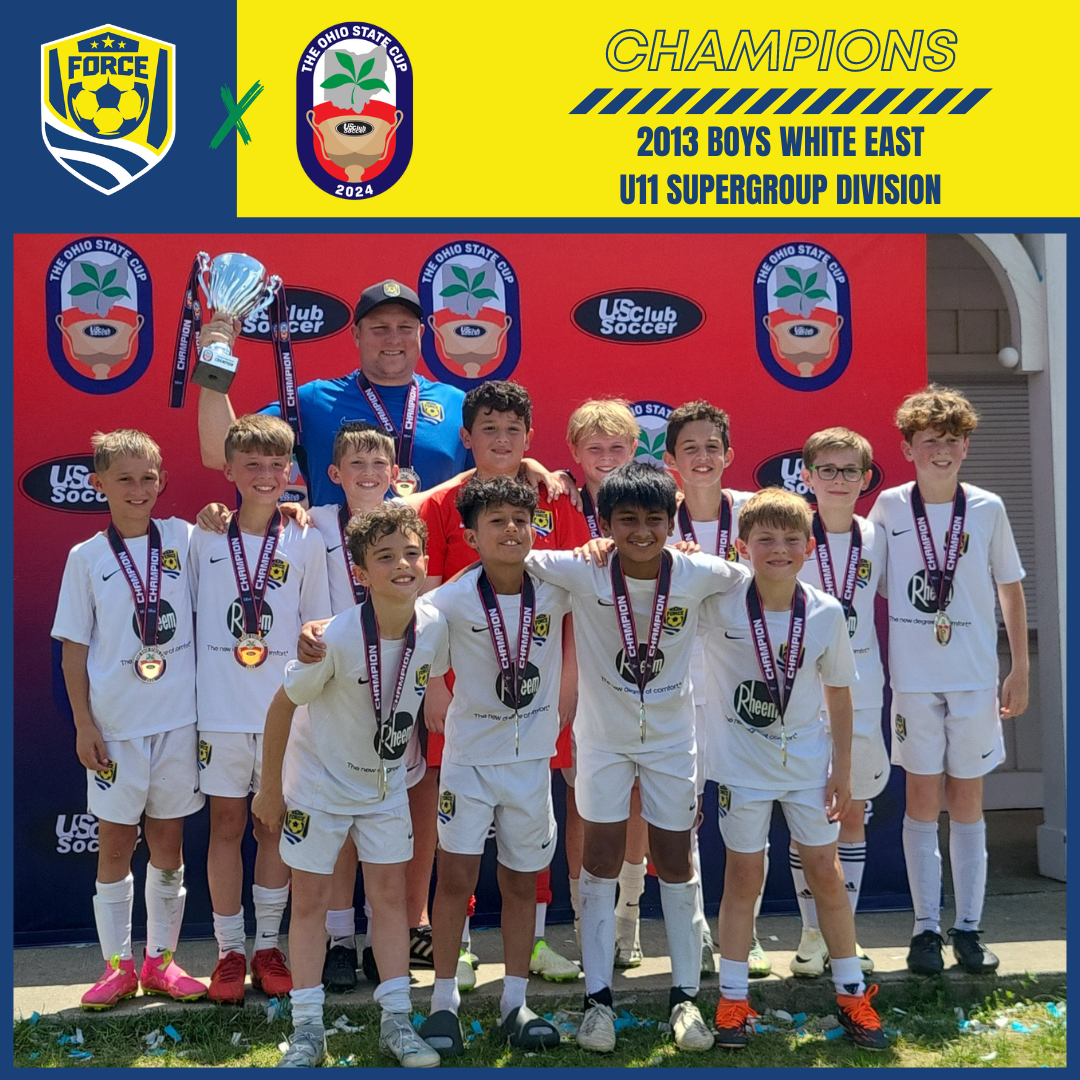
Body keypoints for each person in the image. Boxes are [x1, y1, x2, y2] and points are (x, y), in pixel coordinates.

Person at [525, 462, 746, 1054]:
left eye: (654, 520)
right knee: (599, 858)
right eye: (626, 520)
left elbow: (759, 580)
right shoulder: (583, 568)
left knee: (674, 858)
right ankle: (597, 1001)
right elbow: (514, 556)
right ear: (605, 523)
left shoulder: (699, 571)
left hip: (672, 741)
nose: (642, 532)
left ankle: (684, 999)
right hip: (603, 740)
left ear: (673, 522)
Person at [253, 504, 447, 1068]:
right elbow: (281, 707)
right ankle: (308, 1030)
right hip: (319, 789)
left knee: (390, 901)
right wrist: (270, 790)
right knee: (310, 903)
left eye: (411, 553)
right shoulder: (334, 637)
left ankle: (397, 1022)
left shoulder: (435, 625)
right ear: (360, 573)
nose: (402, 565)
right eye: (385, 557)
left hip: (384, 787)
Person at [697, 488, 889, 1052]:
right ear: (742, 547)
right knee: (743, 878)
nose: (778, 549)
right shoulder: (720, 602)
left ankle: (852, 996)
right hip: (741, 768)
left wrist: (842, 770)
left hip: (808, 767)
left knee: (825, 872)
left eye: (790, 539)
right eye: (765, 539)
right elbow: (670, 581)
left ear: (809, 547)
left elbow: (840, 695)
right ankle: (733, 1001)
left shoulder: (825, 611)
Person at [420, 380, 580, 984]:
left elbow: (577, 593)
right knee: (458, 835)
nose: (502, 440)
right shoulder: (441, 505)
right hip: (464, 696)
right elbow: (423, 606)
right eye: (489, 429)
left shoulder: (553, 497)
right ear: (467, 436)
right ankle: (457, 949)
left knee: (528, 827)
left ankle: (532, 944)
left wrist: (569, 680)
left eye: (514, 430)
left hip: (537, 695)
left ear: (530, 437)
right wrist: (435, 687)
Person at [869, 385, 1028, 976]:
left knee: (966, 802)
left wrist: (1019, 667)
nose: (942, 450)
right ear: (908, 448)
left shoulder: (987, 507)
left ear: (966, 447)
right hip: (913, 680)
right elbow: (864, 580)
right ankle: (925, 929)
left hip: (974, 678)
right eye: (930, 440)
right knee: (921, 800)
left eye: (953, 441)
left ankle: (969, 928)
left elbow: (1010, 588)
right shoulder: (888, 506)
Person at [52, 429, 206, 1009]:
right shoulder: (86, 558)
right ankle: (116, 965)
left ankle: (161, 960)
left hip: (178, 723)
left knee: (169, 841)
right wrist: (84, 724)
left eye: (148, 478)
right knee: (116, 845)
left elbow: (241, 539)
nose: (138, 489)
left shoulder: (185, 538)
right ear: (98, 485)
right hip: (115, 729)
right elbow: (73, 651)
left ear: (162, 481)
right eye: (124, 479)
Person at [419, 477, 569, 1057]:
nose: (511, 529)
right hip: (469, 763)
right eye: (496, 521)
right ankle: (444, 1002)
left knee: (522, 882)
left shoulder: (556, 586)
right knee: (456, 878)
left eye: (520, 520)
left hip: (531, 764)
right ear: (471, 536)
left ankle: (514, 1002)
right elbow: (400, 625)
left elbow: (612, 569)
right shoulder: (450, 599)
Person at [190, 414, 331, 1003]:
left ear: (290, 470)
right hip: (221, 711)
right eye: (252, 464)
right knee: (226, 826)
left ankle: (268, 946)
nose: (266, 475)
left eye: (277, 464)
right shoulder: (201, 537)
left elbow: (318, 620)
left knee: (273, 825)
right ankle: (228, 951)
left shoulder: (306, 536)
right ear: (228, 470)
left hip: (284, 711)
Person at [197, 280, 470, 506]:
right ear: (356, 335)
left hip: (436, 556)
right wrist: (214, 359)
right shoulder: (316, 400)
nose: (394, 338)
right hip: (337, 553)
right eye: (380, 328)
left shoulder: (457, 404)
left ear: (420, 333)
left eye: (405, 328)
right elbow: (220, 453)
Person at [661, 399, 764, 978]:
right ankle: (698, 933)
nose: (702, 457)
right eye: (690, 448)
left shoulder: (753, 512)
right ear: (670, 459)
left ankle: (745, 936)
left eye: (711, 447)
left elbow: (783, 581)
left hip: (744, 685)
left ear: (729, 454)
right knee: (686, 814)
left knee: (748, 808)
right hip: (678, 685)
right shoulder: (655, 517)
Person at [788, 428, 887, 978]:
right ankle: (811, 935)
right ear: (806, 476)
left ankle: (843, 934)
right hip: (801, 695)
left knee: (851, 812)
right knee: (807, 815)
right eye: (827, 469)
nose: (838, 480)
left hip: (862, 694)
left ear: (866, 479)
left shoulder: (879, 536)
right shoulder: (791, 532)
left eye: (850, 470)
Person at [562, 400, 648, 967]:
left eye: (617, 447)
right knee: (582, 802)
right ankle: (584, 921)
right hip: (579, 673)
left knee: (638, 800)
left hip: (643, 674)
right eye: (594, 448)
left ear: (635, 449)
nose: (607, 457)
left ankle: (628, 918)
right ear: (574, 453)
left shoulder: (657, 501)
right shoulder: (557, 499)